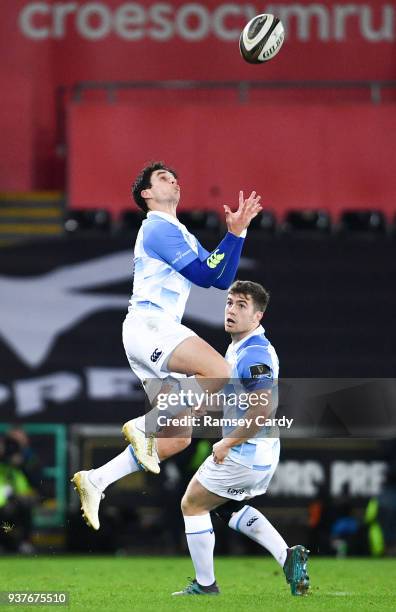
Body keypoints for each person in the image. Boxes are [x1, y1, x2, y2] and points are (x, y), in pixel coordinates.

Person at [71, 161, 262, 527]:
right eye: (162, 177)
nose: (172, 179)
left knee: (177, 438)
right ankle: (145, 425)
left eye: (174, 176)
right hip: (150, 325)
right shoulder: (157, 228)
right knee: (219, 371)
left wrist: (236, 234)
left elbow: (219, 279)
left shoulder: (180, 233)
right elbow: (206, 274)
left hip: (153, 331)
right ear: (146, 194)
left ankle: (96, 479)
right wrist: (232, 237)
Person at [172, 280, 310, 597]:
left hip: (246, 453)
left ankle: (206, 585)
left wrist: (227, 442)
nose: (231, 310)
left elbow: (263, 409)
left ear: (257, 317)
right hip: (261, 451)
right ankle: (289, 557)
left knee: (191, 504)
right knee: (225, 506)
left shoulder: (253, 354)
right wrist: (200, 407)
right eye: (230, 303)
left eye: (241, 305)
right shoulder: (239, 348)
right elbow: (235, 395)